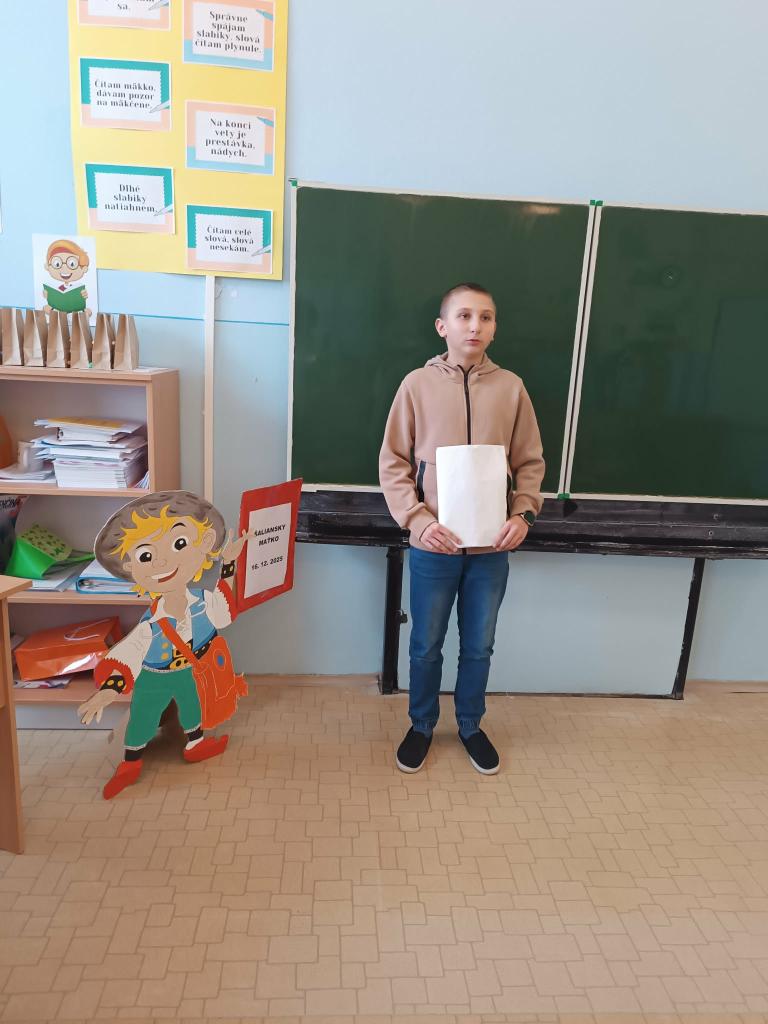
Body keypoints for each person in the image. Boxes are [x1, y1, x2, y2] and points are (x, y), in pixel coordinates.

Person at [379, 282, 545, 775]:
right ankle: (422, 724)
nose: (475, 326)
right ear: (442, 326)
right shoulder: (416, 385)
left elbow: (530, 462)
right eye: (465, 316)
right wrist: (417, 519)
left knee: (479, 645)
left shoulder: (511, 388)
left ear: (494, 328)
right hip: (434, 545)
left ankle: (471, 725)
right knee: (425, 644)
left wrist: (523, 514)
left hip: (491, 548)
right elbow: (393, 462)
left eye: (486, 317)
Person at [78, 491, 254, 799]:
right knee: (143, 716)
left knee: (193, 708)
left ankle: (195, 744)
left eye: (179, 543)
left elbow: (223, 614)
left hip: (190, 671)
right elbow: (129, 654)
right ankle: (131, 763)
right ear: (129, 566)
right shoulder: (151, 624)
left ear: (204, 543)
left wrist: (227, 564)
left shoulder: (202, 601)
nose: (162, 561)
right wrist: (109, 689)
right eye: (145, 556)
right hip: (155, 676)